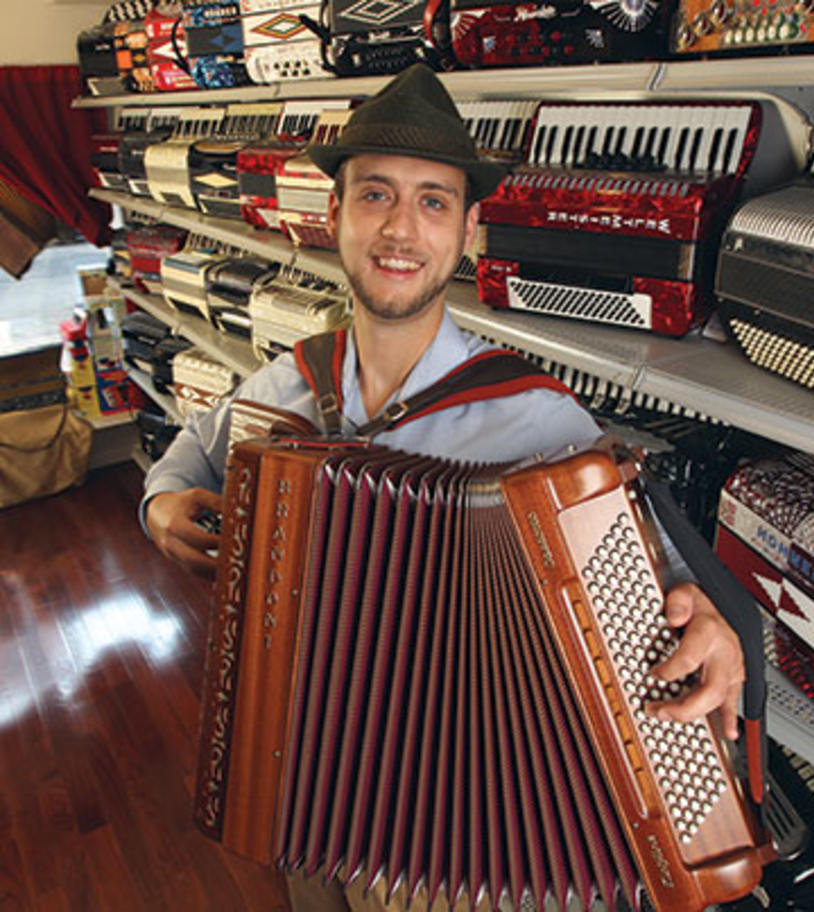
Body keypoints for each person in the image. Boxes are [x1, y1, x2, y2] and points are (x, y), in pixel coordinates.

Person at [141, 63, 747, 912]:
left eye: (432, 203)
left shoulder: (544, 425)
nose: (401, 229)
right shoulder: (282, 387)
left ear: (466, 232)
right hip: (301, 773)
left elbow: (662, 589)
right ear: (334, 217)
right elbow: (185, 461)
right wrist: (161, 503)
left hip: (474, 806)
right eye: (376, 195)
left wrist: (705, 617)